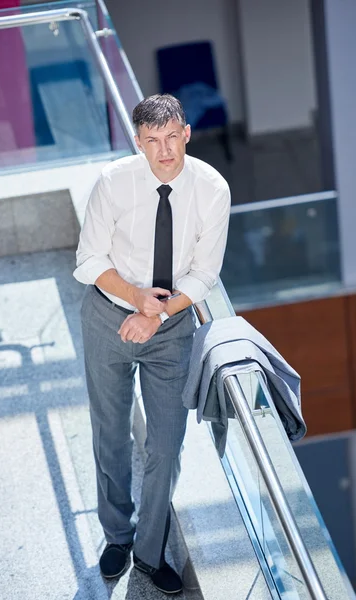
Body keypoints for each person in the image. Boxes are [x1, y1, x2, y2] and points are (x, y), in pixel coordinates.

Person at [73, 94, 231, 594]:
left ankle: (148, 550)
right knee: (111, 434)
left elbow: (205, 273)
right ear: (138, 144)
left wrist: (157, 310)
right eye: (152, 142)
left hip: (170, 330)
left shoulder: (212, 190)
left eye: (172, 138)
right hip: (107, 318)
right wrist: (137, 297)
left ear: (186, 132)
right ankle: (117, 537)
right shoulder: (113, 182)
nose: (166, 152)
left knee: (166, 445)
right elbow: (88, 261)